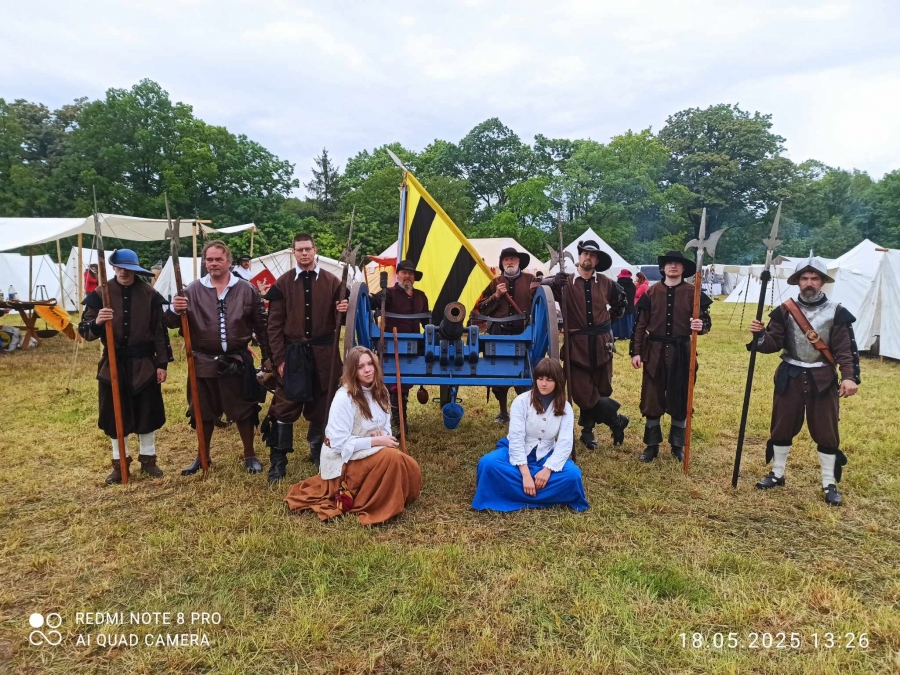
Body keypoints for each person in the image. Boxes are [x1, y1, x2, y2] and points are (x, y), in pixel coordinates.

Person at [749, 253, 860, 506]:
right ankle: (777, 474)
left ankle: (829, 483)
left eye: (814, 278)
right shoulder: (785, 310)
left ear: (822, 282)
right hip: (790, 376)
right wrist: (761, 335)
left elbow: (845, 349)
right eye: (805, 278)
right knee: (782, 425)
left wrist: (849, 377)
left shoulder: (837, 312)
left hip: (823, 377)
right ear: (798, 281)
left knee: (826, 431)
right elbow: (773, 344)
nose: (809, 283)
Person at [284, 347, 422, 525]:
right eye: (360, 367)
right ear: (352, 371)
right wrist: (376, 440)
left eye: (370, 364)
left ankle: (395, 496)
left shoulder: (382, 392)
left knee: (409, 464)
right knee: (393, 458)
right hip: (342, 459)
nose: (367, 370)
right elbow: (339, 444)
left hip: (370, 451)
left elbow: (386, 427)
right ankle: (378, 505)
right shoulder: (344, 397)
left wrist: (383, 435)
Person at [166, 240, 271, 476]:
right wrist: (175, 308)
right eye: (209, 259)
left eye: (218, 259)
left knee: (244, 408)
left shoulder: (246, 289)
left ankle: (250, 454)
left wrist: (268, 357)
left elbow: (261, 326)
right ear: (205, 262)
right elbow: (171, 323)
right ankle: (202, 455)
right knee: (202, 410)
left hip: (237, 360)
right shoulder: (192, 290)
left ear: (229, 262)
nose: (213, 263)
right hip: (202, 360)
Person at [79, 249, 172, 484]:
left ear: (134, 269)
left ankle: (148, 460)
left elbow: (160, 333)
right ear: (113, 268)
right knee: (114, 414)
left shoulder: (150, 294)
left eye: (127, 269)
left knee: (147, 412)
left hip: (144, 364)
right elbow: (85, 331)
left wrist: (162, 364)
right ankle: (120, 463)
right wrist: (98, 321)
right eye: (119, 268)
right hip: (112, 363)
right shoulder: (100, 294)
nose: (123, 272)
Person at [263, 233, 349, 482]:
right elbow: (274, 326)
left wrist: (343, 310)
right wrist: (279, 360)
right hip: (293, 355)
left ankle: (318, 451)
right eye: (299, 249)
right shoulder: (283, 283)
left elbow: (344, 319)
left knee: (323, 406)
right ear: (294, 252)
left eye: (307, 249)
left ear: (315, 250)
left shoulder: (333, 282)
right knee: (284, 407)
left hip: (325, 356)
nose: (304, 253)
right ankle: (278, 462)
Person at [472, 358, 588, 512]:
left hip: (546, 454)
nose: (543, 384)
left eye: (549, 380)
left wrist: (547, 470)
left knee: (573, 475)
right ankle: (540, 493)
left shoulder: (565, 407)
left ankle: (514, 493)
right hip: (517, 451)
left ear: (558, 381)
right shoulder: (521, 401)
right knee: (487, 464)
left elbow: (565, 442)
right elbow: (516, 438)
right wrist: (526, 476)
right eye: (540, 378)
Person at [630, 251, 711, 463]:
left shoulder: (693, 293)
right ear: (663, 268)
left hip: (682, 352)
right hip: (654, 352)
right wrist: (636, 352)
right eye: (669, 263)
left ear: (684, 269)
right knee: (652, 398)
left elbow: (706, 323)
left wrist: (700, 326)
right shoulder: (651, 292)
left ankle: (677, 445)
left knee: (681, 397)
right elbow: (639, 325)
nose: (673, 266)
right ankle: (651, 445)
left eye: (677, 263)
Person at [549, 240, 629, 450]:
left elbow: (622, 302)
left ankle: (587, 432)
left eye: (592, 255)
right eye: (585, 253)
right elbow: (536, 290)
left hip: (602, 344)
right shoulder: (564, 283)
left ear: (597, 261)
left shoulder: (606, 283)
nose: (588, 257)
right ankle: (616, 421)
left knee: (601, 388)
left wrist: (607, 322)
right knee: (582, 393)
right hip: (577, 346)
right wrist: (552, 282)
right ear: (579, 257)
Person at [478, 247, 540, 423]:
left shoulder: (531, 280)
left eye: (513, 259)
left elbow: (540, 303)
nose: (510, 262)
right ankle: (503, 412)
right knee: (499, 376)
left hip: (523, 333)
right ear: (502, 263)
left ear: (519, 262)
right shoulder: (494, 283)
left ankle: (524, 412)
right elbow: (482, 308)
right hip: (499, 334)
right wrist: (496, 296)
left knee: (524, 374)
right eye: (506, 260)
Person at [371, 259, 430, 435]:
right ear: (397, 275)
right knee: (396, 384)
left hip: (415, 346)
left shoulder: (421, 296)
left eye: (410, 274)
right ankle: (399, 422)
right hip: (393, 345)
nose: (407, 276)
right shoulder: (388, 294)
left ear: (414, 277)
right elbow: (373, 302)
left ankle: (400, 420)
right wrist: (366, 297)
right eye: (404, 273)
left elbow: (427, 322)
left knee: (405, 382)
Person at [611, 269, 637, 339]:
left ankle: (617, 335)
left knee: (618, 324)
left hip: (619, 308)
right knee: (628, 324)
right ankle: (627, 335)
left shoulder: (618, 285)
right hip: (630, 307)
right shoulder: (632, 285)